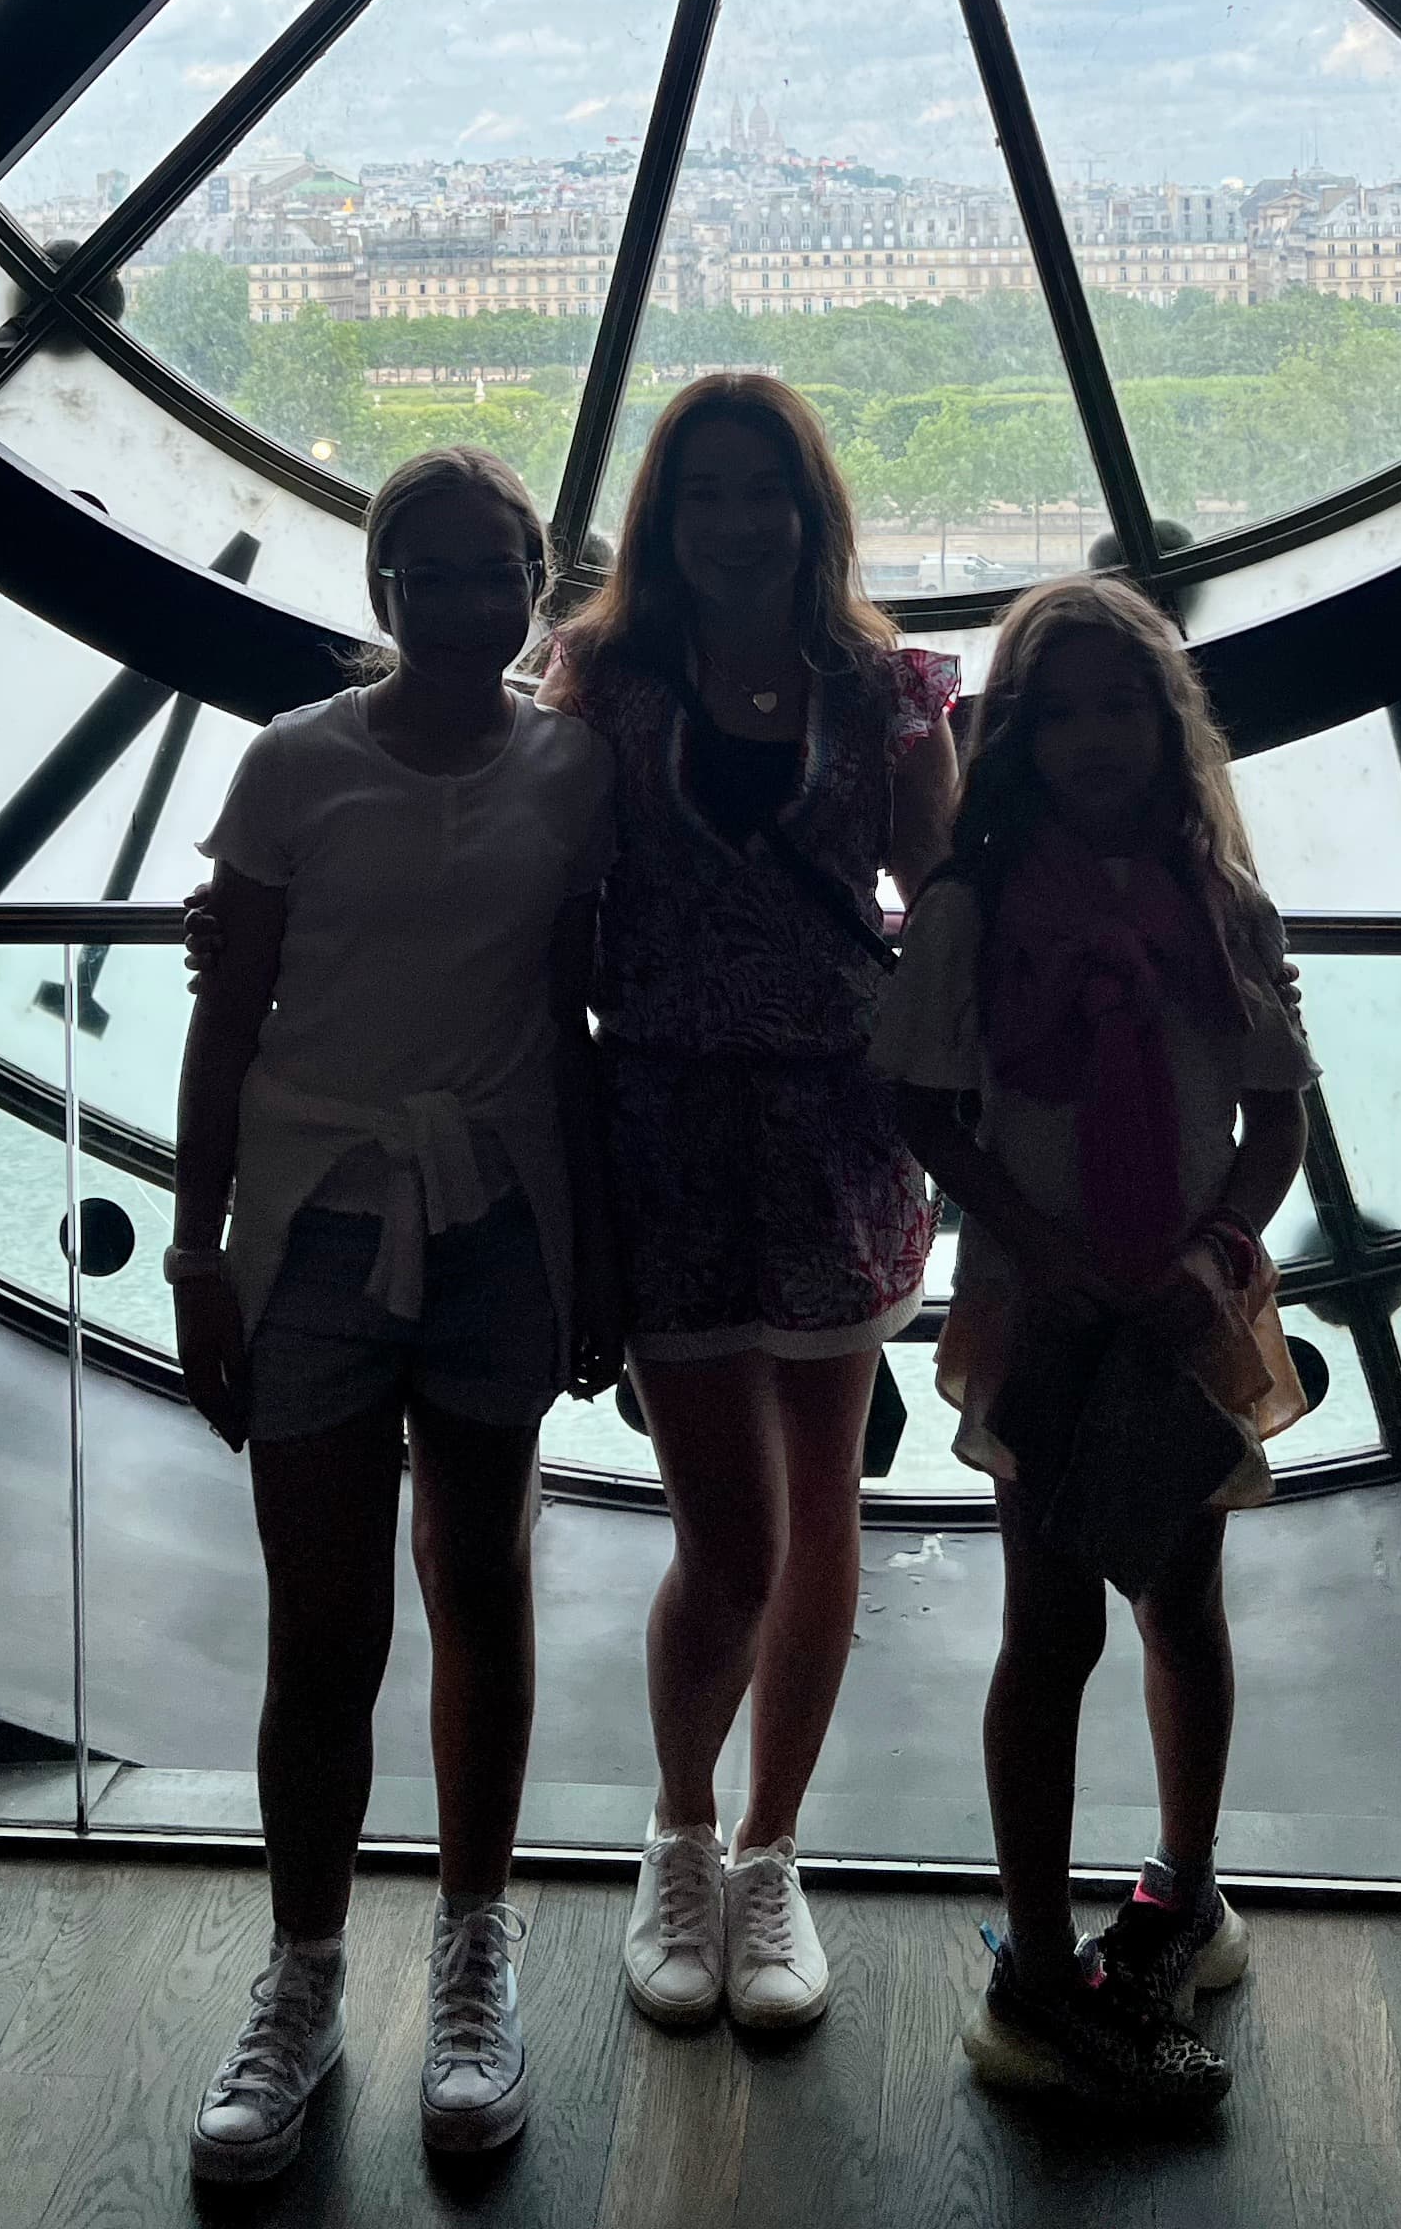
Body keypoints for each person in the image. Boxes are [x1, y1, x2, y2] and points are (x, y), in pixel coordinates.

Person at [166, 446, 621, 2186]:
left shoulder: (292, 768)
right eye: (439, 575)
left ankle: (304, 1981)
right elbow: (574, 1025)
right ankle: (469, 1963)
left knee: (324, 1630)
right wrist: (597, 1255)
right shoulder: (569, 773)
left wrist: (201, 1248)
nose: (459, 601)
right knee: (477, 1599)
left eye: (477, 572)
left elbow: (231, 1025)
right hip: (496, 1226)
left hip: (315, 1237)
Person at [541, 374, 959, 2039]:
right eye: (711, 494)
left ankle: (697, 1833)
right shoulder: (884, 696)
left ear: (796, 510)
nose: (733, 523)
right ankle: (758, 1851)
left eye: (751, 492)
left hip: (668, 1131)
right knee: (797, 1528)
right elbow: (946, 913)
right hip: (829, 1138)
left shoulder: (603, 689)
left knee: (732, 1536)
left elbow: (540, 909)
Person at [871, 572, 1316, 2120]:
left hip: (1045, 1311)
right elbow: (1277, 1122)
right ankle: (1179, 1897)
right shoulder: (1221, 904)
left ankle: (1044, 1965)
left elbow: (924, 1108)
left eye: (1112, 707)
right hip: (1185, 1311)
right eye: (1067, 714)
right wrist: (1211, 1254)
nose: (1094, 738)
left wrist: (1037, 1246)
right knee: (1175, 1607)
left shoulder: (976, 914)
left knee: (1050, 1627)